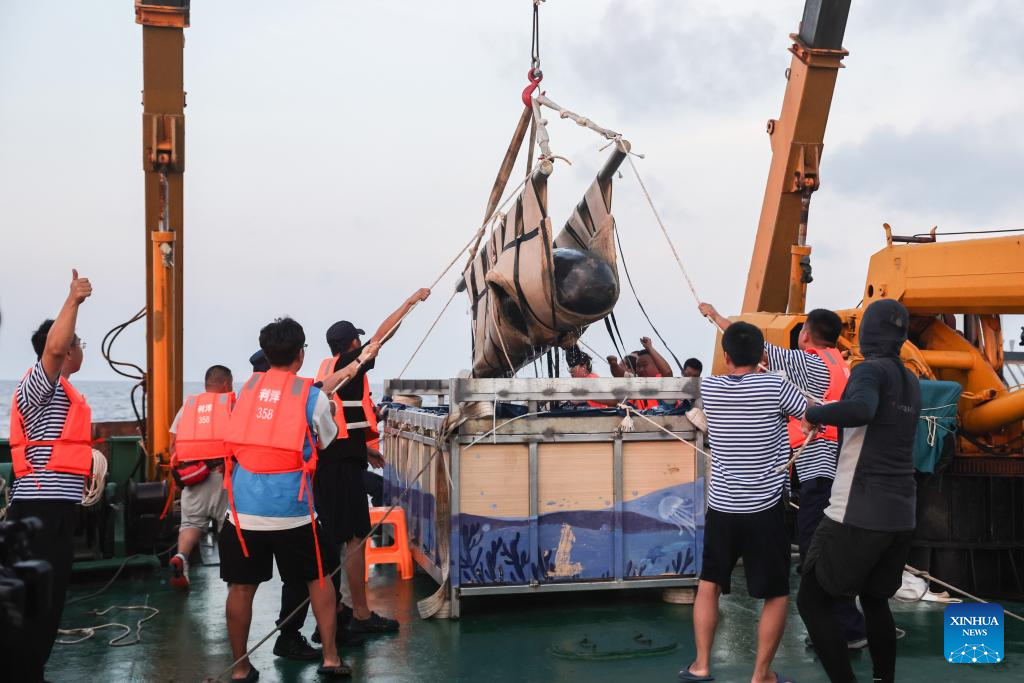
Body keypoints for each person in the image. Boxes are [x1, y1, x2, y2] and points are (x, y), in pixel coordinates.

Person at [700, 303, 869, 648]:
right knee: (823, 545)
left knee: (812, 549)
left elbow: (753, 346)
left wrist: (716, 317)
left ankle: (844, 628)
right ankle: (844, 624)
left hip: (815, 465)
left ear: (806, 334)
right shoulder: (840, 363)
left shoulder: (807, 361)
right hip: (834, 461)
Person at [219, 317, 376, 680]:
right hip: (293, 511)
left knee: (241, 587)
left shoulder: (247, 391)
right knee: (318, 577)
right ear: (300, 354)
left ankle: (241, 669)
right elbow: (325, 439)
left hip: (243, 514)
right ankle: (331, 659)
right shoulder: (311, 397)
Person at [277, 288, 429, 655]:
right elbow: (383, 336)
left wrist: (364, 448)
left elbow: (337, 421)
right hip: (340, 468)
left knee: (336, 541)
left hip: (331, 462)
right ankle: (358, 613)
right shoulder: (352, 363)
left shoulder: (326, 369)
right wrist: (410, 302)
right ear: (353, 343)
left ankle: (339, 612)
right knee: (354, 539)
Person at [796, 299, 921, 683]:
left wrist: (815, 413)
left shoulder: (869, 370)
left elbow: (863, 409)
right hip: (901, 514)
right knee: (874, 599)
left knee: (812, 601)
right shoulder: (910, 380)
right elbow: (872, 413)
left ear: (867, 333)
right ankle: (884, 679)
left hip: (858, 510)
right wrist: (837, 407)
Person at [680, 321, 808, 683]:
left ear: (725, 356)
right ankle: (761, 675)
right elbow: (810, 411)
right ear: (763, 354)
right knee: (776, 593)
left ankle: (701, 665)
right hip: (765, 508)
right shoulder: (776, 384)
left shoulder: (712, 386)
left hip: (722, 507)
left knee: (710, 583)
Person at [5, 269, 93, 683]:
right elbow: (55, 348)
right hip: (37, 511)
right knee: (34, 605)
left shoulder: (64, 392)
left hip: (56, 511)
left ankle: (31, 671)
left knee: (50, 603)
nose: (78, 349)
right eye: (78, 343)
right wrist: (73, 301)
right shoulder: (40, 385)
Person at [167, 365, 235, 590]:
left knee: (190, 523)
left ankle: (182, 557)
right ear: (226, 384)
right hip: (222, 477)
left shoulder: (188, 406)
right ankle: (231, 575)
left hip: (193, 476)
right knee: (227, 528)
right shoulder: (231, 405)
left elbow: (173, 443)